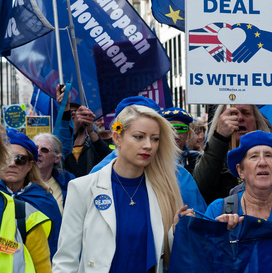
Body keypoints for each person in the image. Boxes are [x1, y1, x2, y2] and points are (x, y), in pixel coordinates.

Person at [53, 97, 189, 272]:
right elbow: (65, 261)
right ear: (117, 137)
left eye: (154, 139)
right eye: (139, 137)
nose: (148, 145)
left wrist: (178, 231)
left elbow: (166, 256)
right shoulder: (82, 188)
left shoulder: (166, 189)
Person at [0, 124, 52, 273]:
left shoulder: (44, 200)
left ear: (29, 165)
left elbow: (55, 251)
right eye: (7, 158)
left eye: (19, 159)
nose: (12, 163)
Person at [193, 104, 271, 204]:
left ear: (256, 121)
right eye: (231, 114)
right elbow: (200, 189)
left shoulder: (271, 157)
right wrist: (219, 138)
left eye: (246, 113)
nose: (239, 118)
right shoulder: (211, 156)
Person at [55, 85, 112, 177]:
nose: (74, 113)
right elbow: (58, 159)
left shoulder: (92, 144)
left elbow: (109, 158)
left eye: (77, 111)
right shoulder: (61, 144)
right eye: (70, 113)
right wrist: (75, 128)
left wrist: (91, 131)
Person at [33, 133, 75, 214]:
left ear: (57, 158)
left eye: (44, 150)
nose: (38, 153)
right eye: (35, 148)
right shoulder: (20, 180)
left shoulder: (68, 181)